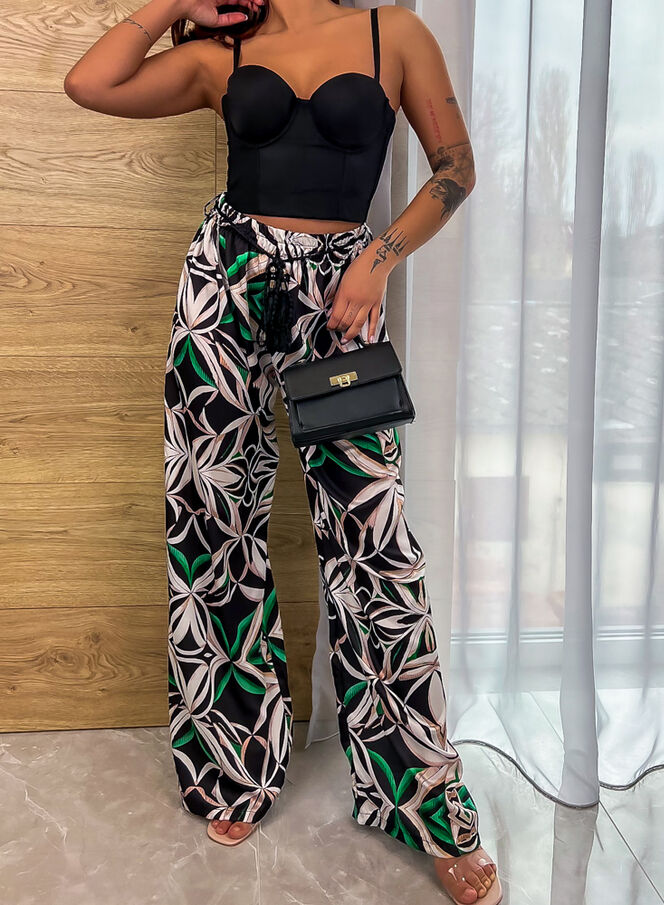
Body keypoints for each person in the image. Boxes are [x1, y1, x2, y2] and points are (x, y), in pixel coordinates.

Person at [63, 1, 502, 902]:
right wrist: (176, 4)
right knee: (212, 522)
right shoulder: (220, 52)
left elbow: (455, 167)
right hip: (222, 286)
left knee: (374, 546)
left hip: (342, 297)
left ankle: (424, 798)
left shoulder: (392, 33)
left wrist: (377, 258)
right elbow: (89, 84)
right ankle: (234, 765)